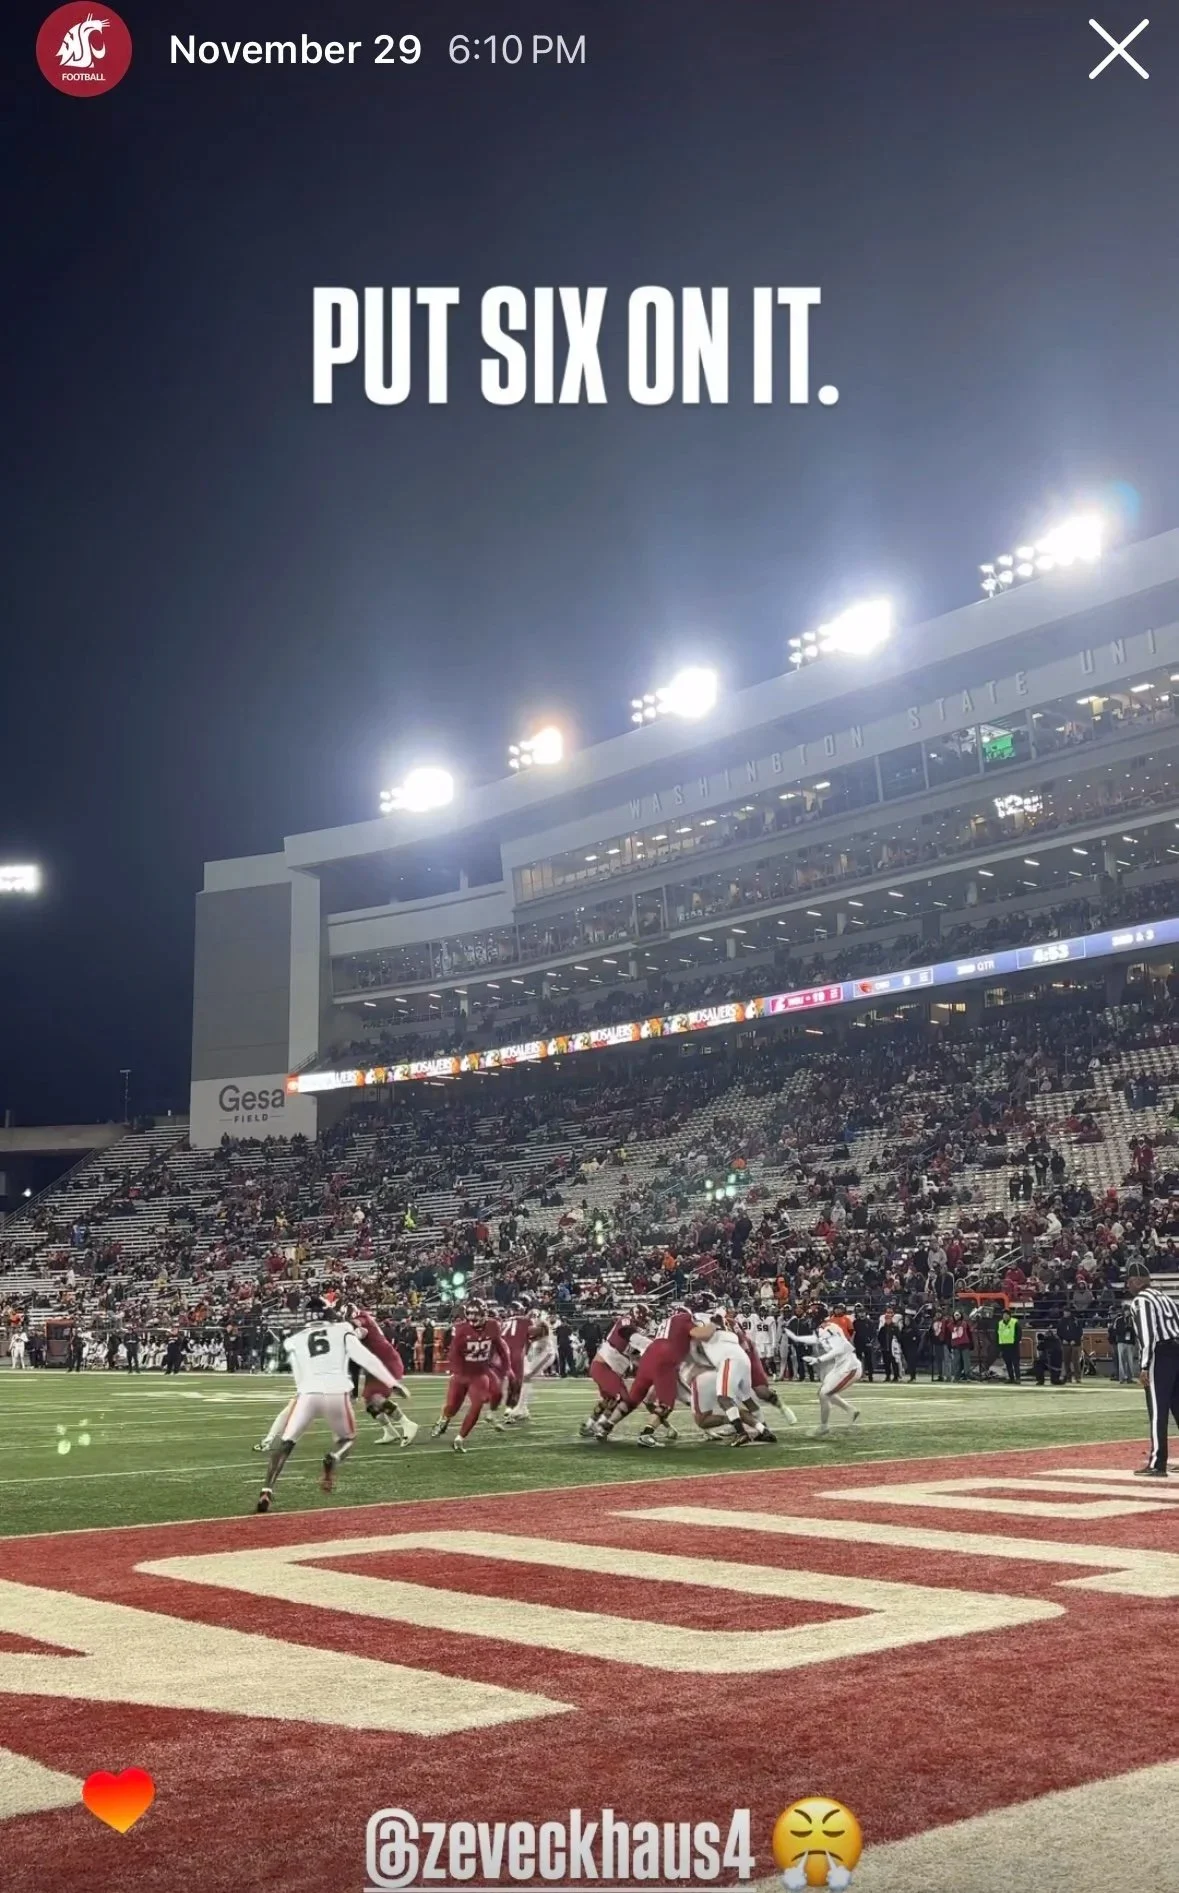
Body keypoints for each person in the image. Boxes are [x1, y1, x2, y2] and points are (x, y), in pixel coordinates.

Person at [254, 1306, 397, 1513]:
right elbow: (362, 1342)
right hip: (335, 1389)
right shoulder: (341, 1329)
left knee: (286, 1443)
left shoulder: (299, 1337)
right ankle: (335, 1457)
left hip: (308, 1391)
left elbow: (296, 1364)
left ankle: (266, 1488)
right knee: (347, 1439)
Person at [431, 1300, 509, 1452]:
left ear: (484, 1314)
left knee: (477, 1404)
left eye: (476, 1313)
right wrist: (458, 1370)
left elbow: (500, 1348)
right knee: (452, 1407)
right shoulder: (461, 1329)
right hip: (462, 1374)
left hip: (479, 1374)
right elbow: (454, 1353)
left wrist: (505, 1368)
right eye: (470, 1314)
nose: (473, 1317)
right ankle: (444, 1419)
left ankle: (460, 1438)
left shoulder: (493, 1326)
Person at [1124, 1266, 1179, 1478]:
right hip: (1176, 1351)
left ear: (1138, 1281)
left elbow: (1147, 1335)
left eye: (1129, 1281)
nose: (1127, 1285)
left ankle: (1158, 1462)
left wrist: (1144, 1365)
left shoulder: (1141, 1301)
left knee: (1157, 1411)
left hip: (1160, 1354)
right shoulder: (1164, 1297)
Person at [783, 1306, 862, 1436]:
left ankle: (824, 1426)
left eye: (811, 1317)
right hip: (841, 1365)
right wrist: (796, 1338)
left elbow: (839, 1349)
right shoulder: (824, 1328)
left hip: (850, 1367)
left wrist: (819, 1359)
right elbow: (817, 1339)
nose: (808, 1321)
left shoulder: (829, 1328)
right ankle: (851, 1410)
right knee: (823, 1392)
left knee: (825, 1394)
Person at [505, 1310, 558, 1422]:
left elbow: (540, 1340)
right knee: (523, 1377)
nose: (532, 1318)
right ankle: (522, 1409)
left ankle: (520, 1408)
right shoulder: (528, 1326)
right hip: (536, 1352)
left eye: (534, 1316)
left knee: (526, 1377)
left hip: (546, 1353)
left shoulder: (539, 1327)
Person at [997, 1309, 1021, 1383]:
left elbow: (1019, 1334)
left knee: (1015, 1363)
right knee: (1008, 1364)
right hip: (1004, 1346)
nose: (1005, 1316)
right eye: (1004, 1314)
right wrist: (1000, 1347)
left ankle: (1018, 1378)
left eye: (1006, 1314)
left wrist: (1016, 1342)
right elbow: (998, 1335)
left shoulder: (1015, 1322)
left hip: (1013, 1346)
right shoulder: (1000, 1323)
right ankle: (1011, 1378)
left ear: (1009, 1315)